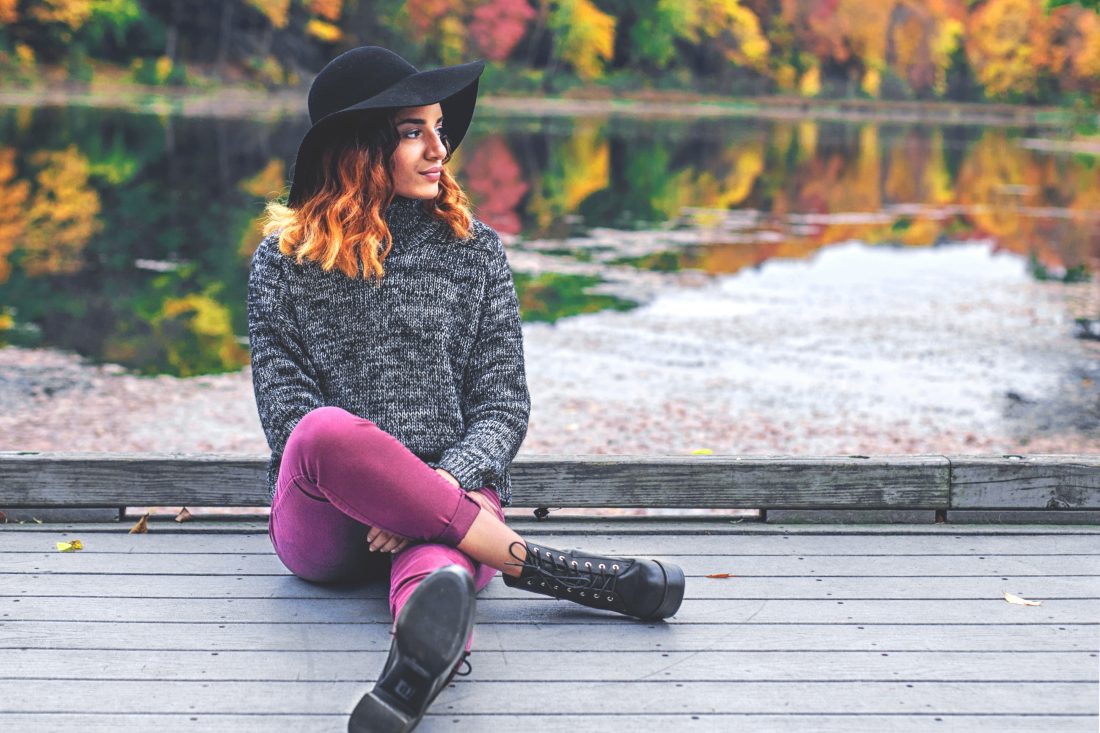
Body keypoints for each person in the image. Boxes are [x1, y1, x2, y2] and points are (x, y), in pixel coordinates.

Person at [247, 46, 685, 733]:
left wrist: (434, 486)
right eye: (413, 131)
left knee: (441, 571)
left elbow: (502, 402)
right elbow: (286, 412)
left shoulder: (475, 250)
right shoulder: (283, 260)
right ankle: (549, 568)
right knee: (320, 430)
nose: (439, 149)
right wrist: (387, 489)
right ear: (360, 148)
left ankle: (410, 674)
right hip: (324, 523)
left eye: (441, 130)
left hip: (454, 501)